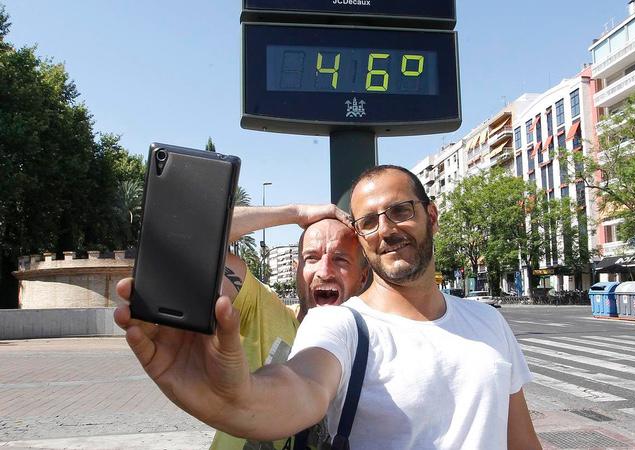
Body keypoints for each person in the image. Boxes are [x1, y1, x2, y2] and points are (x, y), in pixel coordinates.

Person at [114, 166, 541, 449]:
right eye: (369, 221)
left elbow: (522, 440)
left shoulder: (489, 321)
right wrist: (233, 399)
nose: (387, 230)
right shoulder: (337, 327)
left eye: (400, 211)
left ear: (431, 215)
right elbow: (300, 388)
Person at [209, 204, 370, 450]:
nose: (324, 271)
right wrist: (297, 213)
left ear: (362, 276)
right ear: (297, 268)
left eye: (340, 259)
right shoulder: (261, 308)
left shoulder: (373, 349)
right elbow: (200, 231)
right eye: (311, 258)